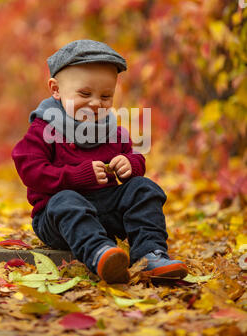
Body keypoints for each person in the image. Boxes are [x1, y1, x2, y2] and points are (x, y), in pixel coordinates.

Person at [11, 39, 188, 283]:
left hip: (105, 211)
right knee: (67, 199)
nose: (96, 103)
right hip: (58, 218)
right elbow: (29, 169)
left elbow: (134, 156)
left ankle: (150, 255)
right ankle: (100, 255)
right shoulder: (45, 128)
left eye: (106, 96)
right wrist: (76, 176)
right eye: (85, 94)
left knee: (144, 188)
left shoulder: (111, 129)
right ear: (56, 89)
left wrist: (130, 164)